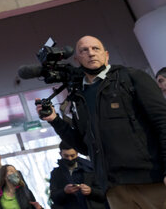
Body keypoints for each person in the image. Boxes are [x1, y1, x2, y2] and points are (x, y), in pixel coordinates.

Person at [40, 35, 166, 209]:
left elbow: (163, 122)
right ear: (77, 59)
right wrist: (55, 121)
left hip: (151, 180)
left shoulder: (131, 77)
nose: (91, 53)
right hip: (113, 188)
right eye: (85, 50)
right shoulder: (79, 95)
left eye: (96, 49)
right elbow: (85, 146)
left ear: (106, 55)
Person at [48, 142, 106, 209]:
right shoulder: (56, 173)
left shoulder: (90, 169)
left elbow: (104, 193)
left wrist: (91, 191)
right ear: (60, 154)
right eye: (66, 156)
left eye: (72, 155)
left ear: (77, 153)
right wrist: (64, 192)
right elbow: (54, 197)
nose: (69, 158)